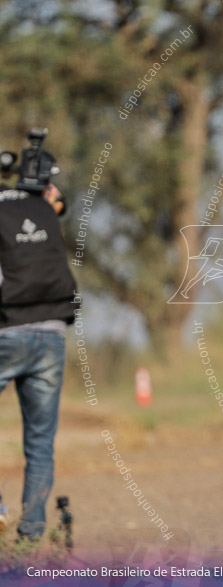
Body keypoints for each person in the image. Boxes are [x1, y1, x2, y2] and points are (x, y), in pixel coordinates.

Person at [0, 180, 77, 540]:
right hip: (52, 332)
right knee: (41, 442)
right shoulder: (42, 206)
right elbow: (60, 206)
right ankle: (30, 538)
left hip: (6, 330)